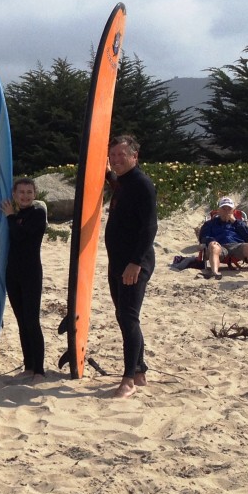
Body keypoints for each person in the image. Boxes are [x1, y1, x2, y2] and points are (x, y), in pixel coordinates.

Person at [104, 136, 157, 399]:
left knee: (128, 317)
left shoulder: (142, 184)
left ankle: (128, 380)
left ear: (135, 156)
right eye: (112, 155)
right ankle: (139, 371)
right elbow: (116, 182)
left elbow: (150, 227)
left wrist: (135, 263)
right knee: (124, 315)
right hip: (118, 262)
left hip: (134, 262)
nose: (116, 160)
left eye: (121, 155)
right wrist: (106, 173)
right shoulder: (123, 182)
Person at [0, 177, 47, 380]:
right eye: (21, 192)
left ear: (35, 194)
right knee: (21, 322)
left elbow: (21, 236)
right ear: (14, 195)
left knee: (32, 321)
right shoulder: (16, 215)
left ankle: (39, 370)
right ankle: (29, 366)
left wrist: (10, 216)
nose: (25, 196)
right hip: (13, 274)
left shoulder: (38, 214)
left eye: (29, 192)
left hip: (31, 274)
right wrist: (11, 216)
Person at [198, 196, 248, 281]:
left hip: (237, 246)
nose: (226, 211)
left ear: (233, 211)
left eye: (229, 209)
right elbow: (203, 237)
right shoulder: (210, 223)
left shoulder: (239, 223)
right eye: (223, 208)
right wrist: (211, 240)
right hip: (220, 246)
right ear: (218, 210)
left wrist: (235, 222)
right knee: (213, 246)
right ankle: (215, 273)